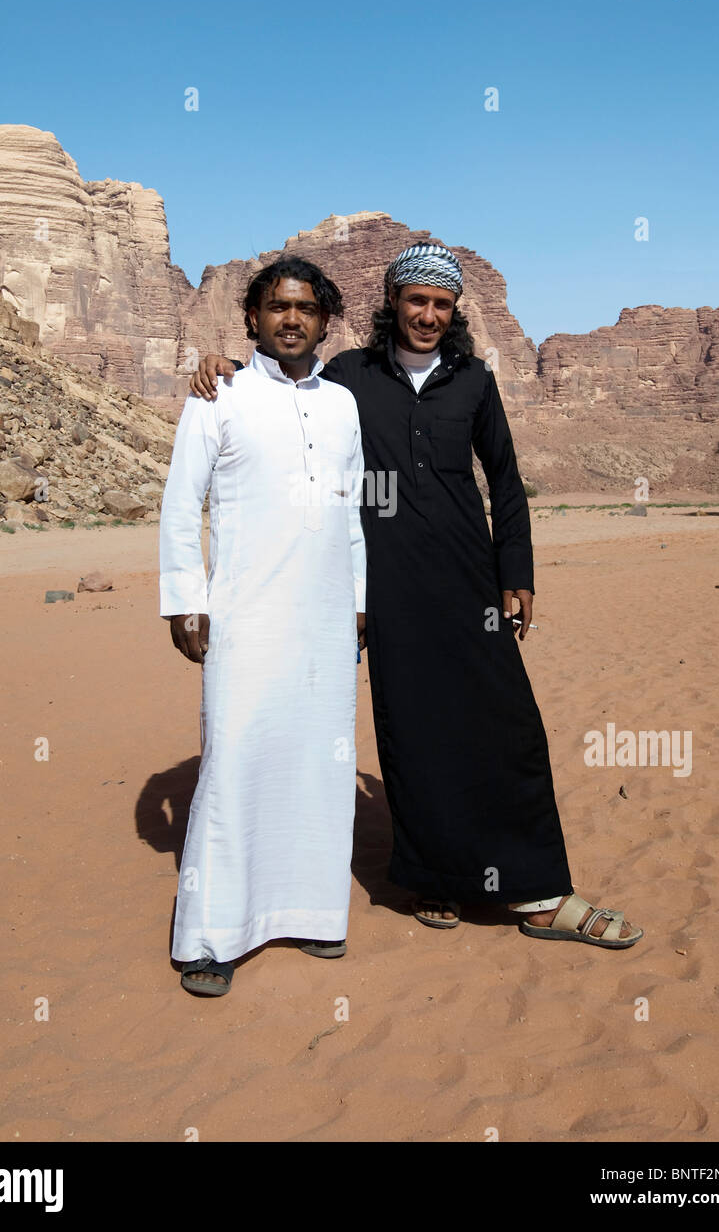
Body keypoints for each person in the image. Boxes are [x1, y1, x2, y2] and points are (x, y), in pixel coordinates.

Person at [191, 243, 642, 949]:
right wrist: (221, 367)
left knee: (507, 725)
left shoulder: (472, 381)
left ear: (454, 310)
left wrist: (515, 572)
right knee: (413, 730)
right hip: (385, 587)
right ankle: (433, 877)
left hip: (470, 582)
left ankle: (540, 890)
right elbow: (282, 384)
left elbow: (504, 477)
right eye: (415, 300)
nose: (427, 315)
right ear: (392, 303)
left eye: (440, 304)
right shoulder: (348, 377)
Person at [160, 256, 367, 995]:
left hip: (324, 618)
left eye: (305, 309)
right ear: (251, 318)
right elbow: (183, 505)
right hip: (244, 616)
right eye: (277, 307)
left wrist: (359, 598)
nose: (290, 319)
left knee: (317, 762)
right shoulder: (218, 394)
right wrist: (186, 598)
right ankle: (210, 937)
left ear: (323, 321)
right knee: (234, 758)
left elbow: (350, 515)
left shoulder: (342, 406)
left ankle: (310, 913)